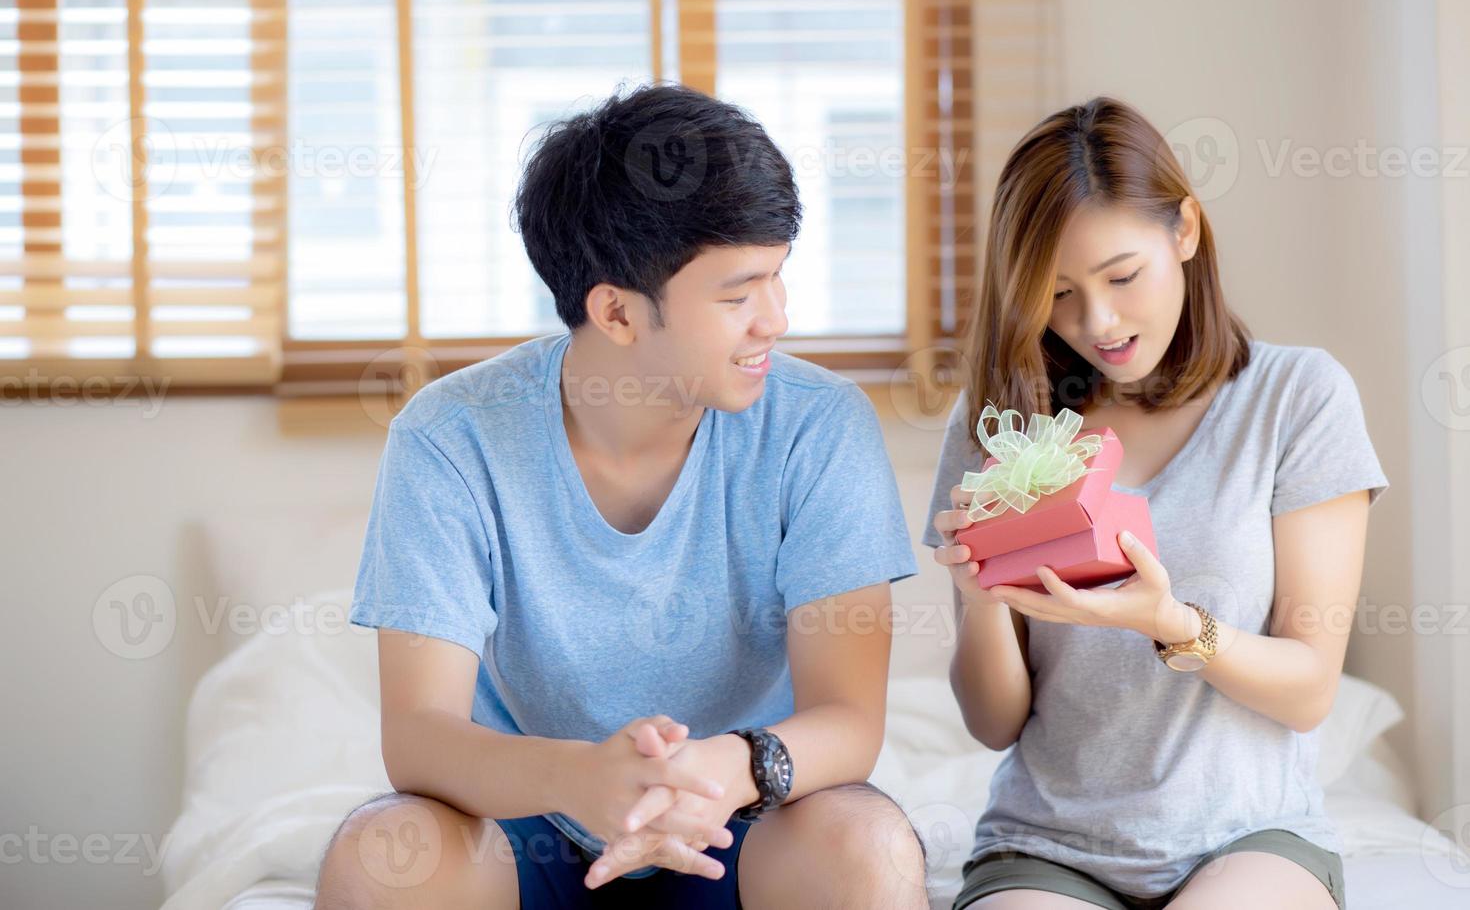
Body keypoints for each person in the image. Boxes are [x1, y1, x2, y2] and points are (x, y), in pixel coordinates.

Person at [313, 83, 929, 909]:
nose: (775, 320)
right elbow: (420, 739)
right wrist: (586, 779)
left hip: (735, 821)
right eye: (738, 294)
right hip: (531, 817)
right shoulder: (449, 438)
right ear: (616, 312)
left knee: (868, 845)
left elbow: (849, 719)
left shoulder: (820, 427)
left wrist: (721, 768)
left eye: (778, 278)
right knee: (381, 851)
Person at [925, 96, 1386, 910]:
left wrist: (1170, 624)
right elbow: (993, 723)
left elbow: (1311, 688)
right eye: (1058, 293)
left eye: (1121, 276)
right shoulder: (1005, 415)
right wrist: (982, 602)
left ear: (1185, 231)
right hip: (1046, 845)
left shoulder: (1297, 397)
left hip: (1250, 838)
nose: (1095, 322)